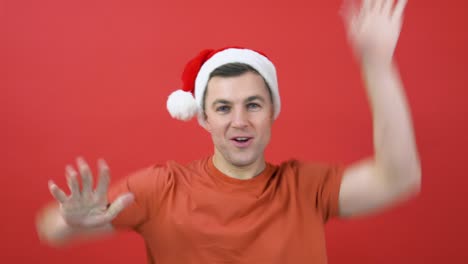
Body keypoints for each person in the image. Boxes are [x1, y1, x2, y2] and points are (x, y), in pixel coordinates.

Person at [36, 0, 421, 263]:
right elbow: (50, 226)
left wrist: (376, 64)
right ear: (202, 118)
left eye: (253, 105)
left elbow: (398, 178)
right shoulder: (163, 188)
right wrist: (71, 223)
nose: (240, 120)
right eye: (223, 108)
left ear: (273, 113)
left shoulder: (305, 188)